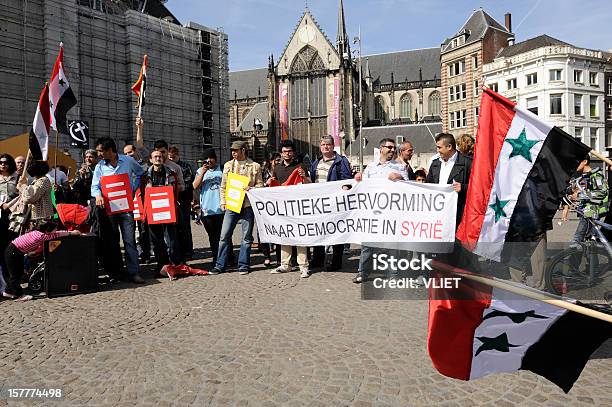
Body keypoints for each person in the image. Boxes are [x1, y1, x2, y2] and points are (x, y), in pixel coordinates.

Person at [353, 138, 409, 284]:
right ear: (381, 148)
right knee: (368, 244)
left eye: (393, 148)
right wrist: (358, 179)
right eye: (389, 147)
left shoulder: (400, 167)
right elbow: (362, 186)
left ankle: (393, 274)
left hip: (392, 212)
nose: (392, 150)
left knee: (392, 245)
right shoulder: (371, 167)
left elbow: (409, 188)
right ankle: (363, 272)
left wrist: (400, 178)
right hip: (373, 212)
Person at [91, 136, 146, 283]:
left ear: (110, 150)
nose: (99, 154)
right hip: (109, 210)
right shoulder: (99, 167)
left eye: (100, 151)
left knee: (129, 241)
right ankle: (116, 273)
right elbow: (95, 186)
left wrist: (133, 189)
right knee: (112, 242)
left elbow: (141, 173)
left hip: (126, 208)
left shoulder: (128, 161)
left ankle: (133, 272)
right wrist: (98, 196)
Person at [209, 141, 263, 276]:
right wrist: (222, 202)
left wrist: (252, 188)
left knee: (246, 237)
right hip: (232, 205)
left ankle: (243, 264)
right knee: (224, 236)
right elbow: (223, 186)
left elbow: (261, 186)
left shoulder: (255, 166)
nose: (233, 152)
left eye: (236, 150)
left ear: (243, 150)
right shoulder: (228, 165)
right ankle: (220, 265)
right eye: (232, 150)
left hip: (247, 205)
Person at [2, 221, 80, 301]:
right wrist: (71, 233)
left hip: (14, 250)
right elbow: (57, 234)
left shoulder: (37, 232)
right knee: (15, 274)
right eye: (54, 229)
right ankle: (19, 295)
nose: (56, 230)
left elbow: (55, 233)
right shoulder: (42, 236)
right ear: (47, 230)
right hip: (14, 252)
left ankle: (8, 291)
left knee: (19, 272)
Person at [268, 140, 312, 278]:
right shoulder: (277, 168)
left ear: (293, 152)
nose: (287, 153)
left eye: (289, 151)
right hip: (283, 207)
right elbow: (274, 186)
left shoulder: (300, 166)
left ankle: (303, 266)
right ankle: (285, 264)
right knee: (285, 235)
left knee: (299, 236)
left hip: (297, 207)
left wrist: (304, 177)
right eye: (284, 151)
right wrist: (269, 183)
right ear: (281, 153)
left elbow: (309, 184)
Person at [309, 135, 352, 272]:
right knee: (319, 231)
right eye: (322, 145)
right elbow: (312, 182)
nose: (325, 147)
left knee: (336, 232)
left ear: (333, 146)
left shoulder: (341, 161)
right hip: (319, 203)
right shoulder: (316, 163)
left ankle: (336, 261)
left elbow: (347, 180)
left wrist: (343, 190)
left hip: (335, 203)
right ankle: (318, 260)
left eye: (328, 144)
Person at [192, 148, 234, 266]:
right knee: (213, 237)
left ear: (215, 159)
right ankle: (217, 257)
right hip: (207, 209)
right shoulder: (200, 171)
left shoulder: (222, 169)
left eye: (211, 158)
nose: (209, 160)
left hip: (222, 207)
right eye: (206, 158)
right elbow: (195, 186)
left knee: (225, 235)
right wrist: (203, 172)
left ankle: (229, 257)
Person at [146, 150, 182, 273]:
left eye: (160, 156)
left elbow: (178, 188)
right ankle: (162, 265)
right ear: (150, 159)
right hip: (152, 212)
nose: (158, 158)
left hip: (168, 210)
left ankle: (175, 264)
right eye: (155, 156)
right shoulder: (145, 175)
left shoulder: (171, 173)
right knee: (157, 240)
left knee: (171, 239)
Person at [426, 133, 472, 227]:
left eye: (439, 147)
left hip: (459, 217)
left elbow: (479, 187)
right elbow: (427, 186)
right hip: (438, 215)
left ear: (449, 147)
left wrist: (463, 188)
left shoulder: (468, 163)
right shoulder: (435, 164)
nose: (437, 150)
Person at [571, 156, 608, 244]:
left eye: (577, 161)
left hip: (591, 212)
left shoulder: (596, 175)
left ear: (584, 161)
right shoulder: (585, 176)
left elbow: (601, 192)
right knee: (590, 241)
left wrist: (580, 195)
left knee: (577, 240)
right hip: (587, 211)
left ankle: (572, 257)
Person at [168, 146, 195, 260]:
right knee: (174, 227)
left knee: (185, 227)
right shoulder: (166, 167)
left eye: (173, 155)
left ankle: (188, 252)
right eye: (170, 155)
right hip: (171, 200)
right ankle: (177, 252)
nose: (171, 157)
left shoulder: (185, 166)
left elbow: (188, 183)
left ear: (178, 155)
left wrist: (177, 192)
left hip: (183, 200)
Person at [260, 152, 281, 266]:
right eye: (277, 160)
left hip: (277, 204)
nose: (279, 162)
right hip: (265, 204)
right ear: (271, 161)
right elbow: (258, 185)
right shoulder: (263, 171)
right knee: (263, 230)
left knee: (278, 231)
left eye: (280, 160)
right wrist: (266, 183)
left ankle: (279, 257)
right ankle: (267, 256)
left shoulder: (281, 170)